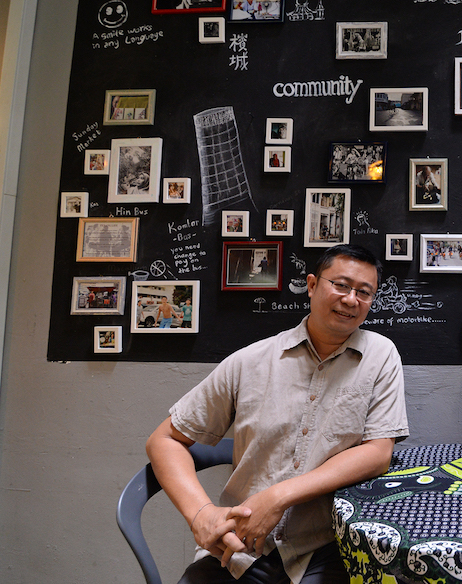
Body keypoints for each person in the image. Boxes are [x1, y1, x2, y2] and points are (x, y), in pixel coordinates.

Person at [146, 244, 409, 584]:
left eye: (364, 292)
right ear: (312, 285)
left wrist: (278, 496)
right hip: (242, 547)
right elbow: (164, 439)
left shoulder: (380, 355)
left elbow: (377, 452)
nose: (351, 299)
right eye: (341, 285)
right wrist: (201, 514)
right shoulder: (251, 361)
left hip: (328, 546)